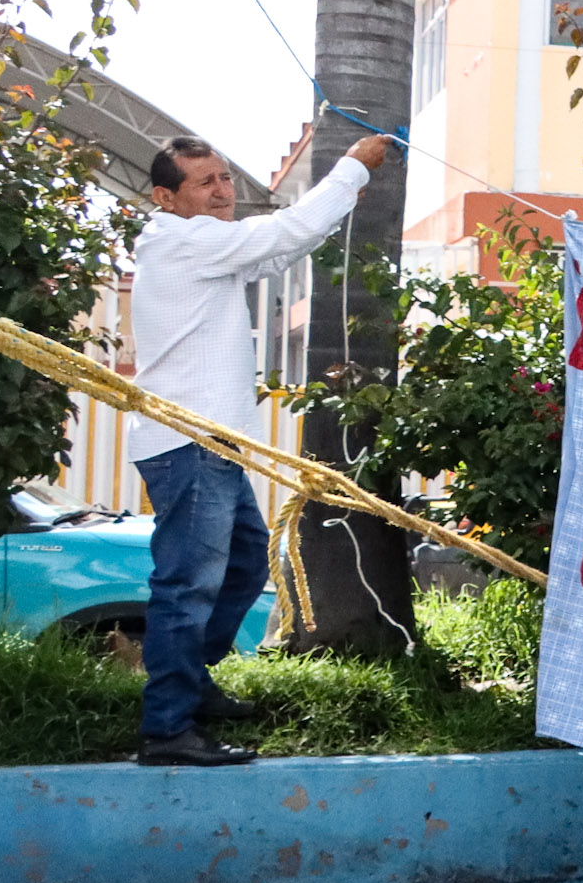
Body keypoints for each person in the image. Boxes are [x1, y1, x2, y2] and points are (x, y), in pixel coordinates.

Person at [127, 131, 390, 766]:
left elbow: (282, 246)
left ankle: (191, 687)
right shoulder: (183, 240)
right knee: (187, 585)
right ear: (166, 197)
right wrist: (352, 169)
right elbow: (283, 234)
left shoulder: (200, 246)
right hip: (189, 443)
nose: (224, 192)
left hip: (209, 444)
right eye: (205, 183)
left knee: (245, 562)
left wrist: (331, 206)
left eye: (225, 178)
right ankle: (166, 730)